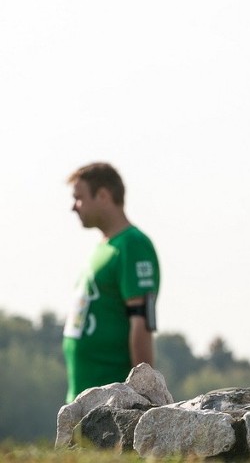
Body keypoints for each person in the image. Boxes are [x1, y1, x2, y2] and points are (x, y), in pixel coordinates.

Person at [63, 162, 160, 403]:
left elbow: (141, 323)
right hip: (83, 399)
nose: (73, 207)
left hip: (113, 404)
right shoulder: (104, 247)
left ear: (103, 195)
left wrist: (143, 399)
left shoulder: (132, 244)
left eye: (79, 198)